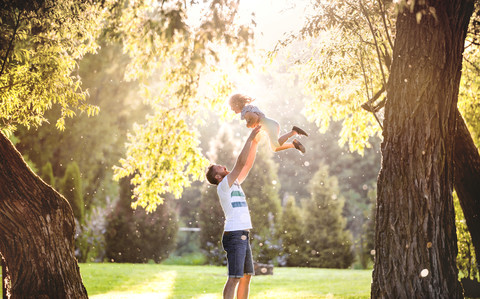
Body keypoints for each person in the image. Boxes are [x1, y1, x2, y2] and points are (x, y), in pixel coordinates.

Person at [205, 125, 262, 299]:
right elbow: (240, 163)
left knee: (246, 276)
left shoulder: (234, 182)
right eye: (220, 168)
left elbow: (248, 164)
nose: (223, 166)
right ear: (218, 177)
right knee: (234, 278)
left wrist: (255, 144)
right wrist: (250, 137)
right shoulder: (224, 185)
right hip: (235, 235)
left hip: (242, 234)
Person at [229, 93, 308, 153]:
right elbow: (256, 118)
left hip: (270, 126)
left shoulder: (246, 112)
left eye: (232, 106)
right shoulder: (248, 109)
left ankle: (294, 131)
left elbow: (255, 118)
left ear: (237, 104)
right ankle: (293, 144)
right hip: (271, 125)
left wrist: (249, 124)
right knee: (275, 148)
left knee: (276, 144)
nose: (231, 109)